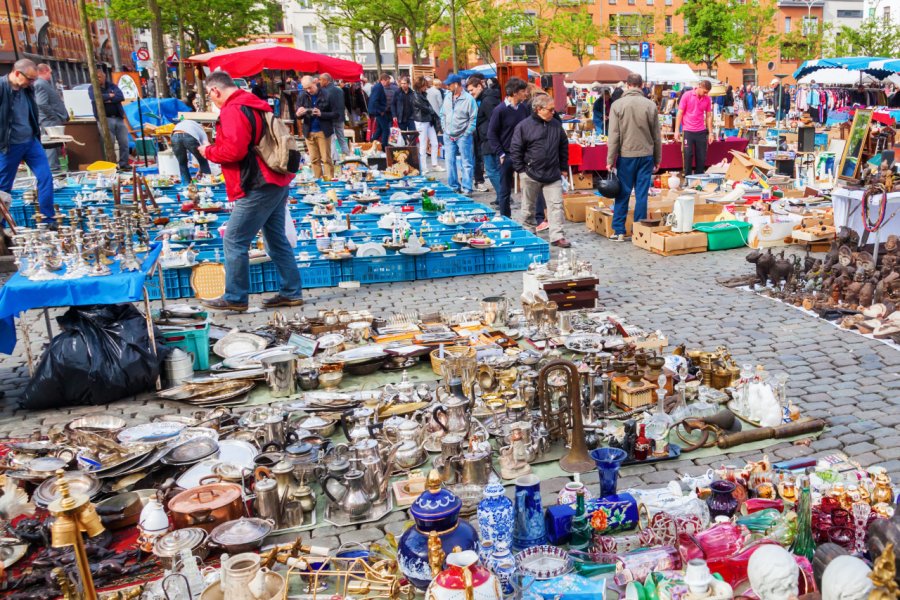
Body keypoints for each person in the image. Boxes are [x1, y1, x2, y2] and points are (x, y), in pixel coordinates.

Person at [197, 70, 303, 311]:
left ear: (216, 90)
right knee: (276, 239)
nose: (211, 100)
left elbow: (234, 152)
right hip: (274, 178)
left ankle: (235, 298)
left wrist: (209, 152)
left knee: (234, 239)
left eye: (209, 95)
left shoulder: (233, 110)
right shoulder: (255, 104)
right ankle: (291, 292)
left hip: (258, 182)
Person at [606, 73, 661, 243]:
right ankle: (639, 230)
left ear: (627, 85)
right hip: (646, 155)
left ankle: (619, 231)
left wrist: (610, 159)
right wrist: (657, 158)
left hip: (627, 155)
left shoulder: (617, 105)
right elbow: (656, 135)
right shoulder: (650, 105)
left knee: (622, 193)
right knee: (642, 194)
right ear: (641, 85)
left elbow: (613, 135)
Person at [510, 93, 570, 248]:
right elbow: (516, 149)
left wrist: (563, 167)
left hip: (552, 173)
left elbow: (563, 146)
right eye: (550, 110)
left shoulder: (556, 125)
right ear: (538, 109)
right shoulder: (524, 126)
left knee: (556, 205)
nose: (553, 112)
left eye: (553, 110)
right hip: (530, 173)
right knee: (528, 207)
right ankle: (529, 233)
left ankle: (557, 235)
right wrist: (521, 170)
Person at [0, 59, 54, 219]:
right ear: (17, 73)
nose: (32, 82)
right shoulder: (2, 88)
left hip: (30, 142)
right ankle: (1, 226)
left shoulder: (27, 89)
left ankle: (47, 218)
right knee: (4, 187)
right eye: (30, 79)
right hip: (9, 145)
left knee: (46, 177)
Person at [487, 76, 528, 217]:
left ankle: (535, 218)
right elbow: (491, 133)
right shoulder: (500, 110)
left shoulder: (524, 108)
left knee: (531, 187)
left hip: (523, 155)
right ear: (515, 92)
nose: (526, 93)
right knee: (505, 190)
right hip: (507, 154)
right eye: (523, 91)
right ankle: (506, 218)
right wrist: (501, 154)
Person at [440, 73, 477, 195]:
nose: (447, 87)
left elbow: (473, 118)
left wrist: (466, 133)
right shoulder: (447, 97)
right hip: (448, 135)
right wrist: (444, 129)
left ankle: (467, 188)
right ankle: (453, 186)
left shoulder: (468, 99)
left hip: (463, 135)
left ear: (456, 84)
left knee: (466, 162)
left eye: (449, 84)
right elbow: (442, 114)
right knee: (449, 162)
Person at [296, 75, 336, 180]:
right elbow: (297, 114)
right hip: (309, 131)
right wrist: (299, 113)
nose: (308, 90)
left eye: (310, 87)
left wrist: (321, 114)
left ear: (315, 82)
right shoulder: (302, 95)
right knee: (314, 159)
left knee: (326, 159)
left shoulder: (327, 94)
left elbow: (336, 114)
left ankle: (329, 181)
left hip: (323, 130)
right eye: (305, 88)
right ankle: (317, 181)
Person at [88, 70, 130, 170]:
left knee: (124, 142)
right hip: (105, 119)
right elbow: (96, 98)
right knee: (108, 143)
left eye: (100, 77)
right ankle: (111, 165)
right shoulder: (92, 88)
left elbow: (121, 96)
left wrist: (106, 99)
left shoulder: (112, 86)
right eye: (96, 77)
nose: (98, 79)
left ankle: (124, 163)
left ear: (104, 76)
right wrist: (110, 96)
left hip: (118, 118)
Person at [467, 75, 500, 195]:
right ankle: (500, 198)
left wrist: (490, 136)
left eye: (472, 90)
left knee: (492, 171)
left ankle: (503, 198)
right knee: (494, 170)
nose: (470, 93)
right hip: (487, 138)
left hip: (489, 139)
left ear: (480, 86)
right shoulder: (487, 98)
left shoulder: (487, 100)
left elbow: (494, 121)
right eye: (469, 91)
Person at [34, 63, 69, 174]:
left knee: (54, 146)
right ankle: (53, 171)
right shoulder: (40, 84)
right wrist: (54, 116)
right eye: (49, 72)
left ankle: (55, 169)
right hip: (49, 121)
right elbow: (42, 103)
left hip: (49, 119)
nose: (50, 75)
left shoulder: (42, 84)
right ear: (44, 71)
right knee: (51, 146)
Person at [675, 79, 712, 177]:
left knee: (701, 157)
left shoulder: (707, 99)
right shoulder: (687, 95)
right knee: (688, 155)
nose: (706, 94)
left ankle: (699, 179)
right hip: (688, 130)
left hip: (701, 131)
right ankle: (687, 178)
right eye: (704, 92)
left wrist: (711, 133)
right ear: (699, 86)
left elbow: (708, 116)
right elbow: (680, 113)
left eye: (707, 92)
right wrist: (676, 131)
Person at [412, 76, 441, 174]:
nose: (426, 87)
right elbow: (424, 107)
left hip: (428, 120)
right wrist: (432, 112)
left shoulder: (422, 94)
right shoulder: (415, 95)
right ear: (420, 86)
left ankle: (434, 164)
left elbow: (427, 107)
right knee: (423, 144)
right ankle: (423, 167)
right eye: (424, 86)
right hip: (421, 121)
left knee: (435, 142)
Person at [170, 119, 211, 184]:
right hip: (188, 135)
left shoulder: (184, 123)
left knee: (182, 163)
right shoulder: (201, 130)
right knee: (202, 160)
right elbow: (206, 147)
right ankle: (207, 182)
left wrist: (200, 170)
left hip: (175, 136)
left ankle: (186, 184)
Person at [319, 73, 348, 160]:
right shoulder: (339, 90)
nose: (320, 81)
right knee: (341, 138)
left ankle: (335, 159)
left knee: (331, 139)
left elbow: (324, 106)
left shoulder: (324, 91)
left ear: (326, 80)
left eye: (321, 80)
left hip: (330, 117)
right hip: (340, 117)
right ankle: (347, 156)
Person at [367, 73, 392, 148]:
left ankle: (371, 143)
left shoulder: (378, 87)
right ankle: (384, 147)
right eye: (387, 80)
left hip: (377, 111)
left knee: (380, 129)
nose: (388, 82)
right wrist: (380, 110)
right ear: (383, 80)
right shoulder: (378, 87)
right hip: (378, 112)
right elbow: (374, 101)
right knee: (385, 129)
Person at [391, 75, 415, 139]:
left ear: (408, 84)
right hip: (401, 117)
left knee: (413, 135)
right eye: (401, 83)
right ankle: (404, 148)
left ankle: (411, 148)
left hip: (411, 118)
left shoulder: (412, 93)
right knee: (402, 137)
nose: (403, 85)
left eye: (404, 83)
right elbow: (393, 104)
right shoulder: (397, 92)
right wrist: (394, 115)